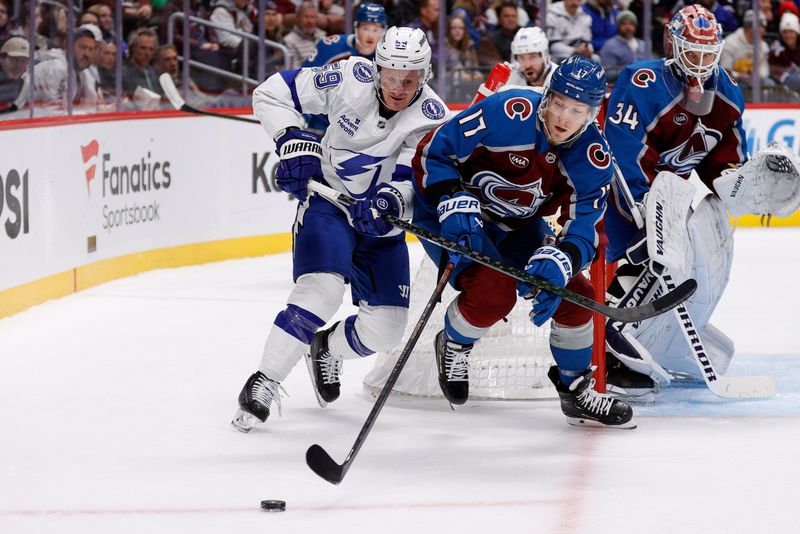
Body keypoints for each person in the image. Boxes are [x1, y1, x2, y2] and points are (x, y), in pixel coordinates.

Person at [232, 27, 448, 432]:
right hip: (328, 205)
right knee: (321, 290)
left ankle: (327, 347)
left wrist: (392, 202)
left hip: (381, 228)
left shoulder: (433, 118)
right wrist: (292, 138)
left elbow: (417, 179)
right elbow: (270, 92)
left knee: (386, 330)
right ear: (377, 67)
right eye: (390, 76)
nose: (398, 87)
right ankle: (264, 381)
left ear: (426, 75)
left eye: (409, 79)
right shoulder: (350, 77)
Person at [411, 55, 635, 429]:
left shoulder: (594, 158)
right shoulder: (506, 111)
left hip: (517, 225)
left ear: (593, 114)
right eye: (560, 103)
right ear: (548, 96)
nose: (564, 118)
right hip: (451, 215)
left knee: (579, 300)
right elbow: (435, 150)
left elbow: (585, 229)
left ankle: (575, 390)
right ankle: (453, 344)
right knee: (493, 293)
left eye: (577, 110)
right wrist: (450, 192)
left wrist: (564, 258)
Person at [602, 5, 748, 396]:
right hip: (608, 188)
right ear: (673, 45)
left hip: (665, 197)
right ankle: (601, 344)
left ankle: (635, 336)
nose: (700, 62)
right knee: (631, 256)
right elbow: (620, 155)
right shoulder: (643, 81)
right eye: (692, 51)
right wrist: (644, 212)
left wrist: (747, 186)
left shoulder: (729, 96)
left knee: (669, 264)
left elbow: (724, 166)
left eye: (707, 53)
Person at [32, 24, 102, 109]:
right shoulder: (55, 67)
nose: (87, 54)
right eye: (82, 47)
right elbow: (48, 109)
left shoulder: (83, 72)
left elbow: (91, 105)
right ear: (68, 47)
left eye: (90, 49)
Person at [302, 2, 386, 67]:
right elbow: (303, 77)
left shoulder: (389, 55)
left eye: (375, 30)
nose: (370, 36)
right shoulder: (330, 46)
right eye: (366, 29)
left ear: (384, 31)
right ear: (356, 28)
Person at [599, 10, 647, 82]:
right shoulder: (610, 45)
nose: (628, 27)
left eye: (631, 24)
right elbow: (608, 74)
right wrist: (628, 72)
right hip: (622, 85)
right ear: (618, 26)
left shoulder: (642, 44)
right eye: (624, 24)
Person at [283, 0, 326, 68]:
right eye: (306, 16)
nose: (310, 21)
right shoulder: (289, 40)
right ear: (297, 18)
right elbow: (294, 70)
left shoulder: (322, 35)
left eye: (312, 17)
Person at [476, 1, 519, 65]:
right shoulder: (489, 40)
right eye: (506, 16)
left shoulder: (524, 34)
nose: (511, 19)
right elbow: (493, 64)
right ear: (499, 18)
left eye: (514, 16)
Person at [769, 11, 800, 88]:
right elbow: (774, 71)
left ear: (797, 33)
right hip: (781, 87)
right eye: (785, 32)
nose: (788, 35)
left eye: (791, 32)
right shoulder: (776, 48)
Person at [0, 37, 28, 109]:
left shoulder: (24, 81)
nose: (18, 66)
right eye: (13, 59)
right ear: (2, 59)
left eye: (23, 61)